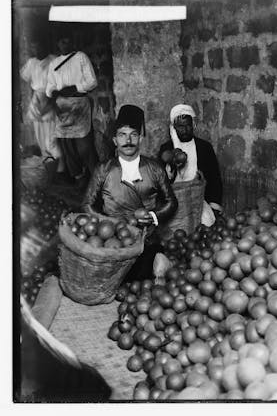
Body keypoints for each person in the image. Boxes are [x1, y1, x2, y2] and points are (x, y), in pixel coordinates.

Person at [82, 105, 177, 282]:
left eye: (133, 134)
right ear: (114, 140)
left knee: (144, 272)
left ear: (140, 138)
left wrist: (154, 216)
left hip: (145, 239)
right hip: (112, 239)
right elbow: (87, 204)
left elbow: (171, 201)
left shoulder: (154, 168)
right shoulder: (103, 169)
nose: (128, 140)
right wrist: (110, 223)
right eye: (122, 135)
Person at [46, 35, 98, 188]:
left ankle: (96, 179)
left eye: (68, 40)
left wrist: (75, 87)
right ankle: (79, 177)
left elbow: (92, 81)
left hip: (79, 104)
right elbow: (50, 87)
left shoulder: (81, 57)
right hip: (62, 107)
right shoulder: (54, 63)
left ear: (72, 42)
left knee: (85, 146)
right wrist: (54, 94)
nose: (65, 43)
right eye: (62, 40)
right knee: (67, 145)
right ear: (58, 43)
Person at [158, 104, 223, 216]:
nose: (185, 130)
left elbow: (214, 178)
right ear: (173, 128)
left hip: (200, 202)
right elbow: (161, 181)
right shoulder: (167, 149)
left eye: (188, 125)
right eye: (180, 126)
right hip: (175, 203)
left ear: (193, 125)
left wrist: (214, 203)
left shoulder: (205, 147)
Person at [20, 38, 63, 168]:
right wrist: (34, 103)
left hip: (50, 99)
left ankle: (60, 168)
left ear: (45, 47)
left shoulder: (54, 61)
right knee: (40, 138)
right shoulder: (31, 63)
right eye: (33, 47)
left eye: (39, 47)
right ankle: (48, 168)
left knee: (51, 140)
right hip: (36, 101)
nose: (36, 50)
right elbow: (29, 83)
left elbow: (58, 86)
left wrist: (50, 102)